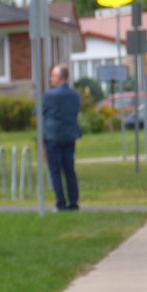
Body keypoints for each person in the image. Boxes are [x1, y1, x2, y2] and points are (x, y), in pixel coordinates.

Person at [42, 63, 82, 211]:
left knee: (55, 170)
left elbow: (38, 111)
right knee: (69, 169)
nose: (51, 79)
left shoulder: (49, 95)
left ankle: (61, 203)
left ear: (60, 77)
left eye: (53, 75)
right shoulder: (74, 95)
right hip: (70, 136)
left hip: (53, 137)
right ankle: (73, 202)